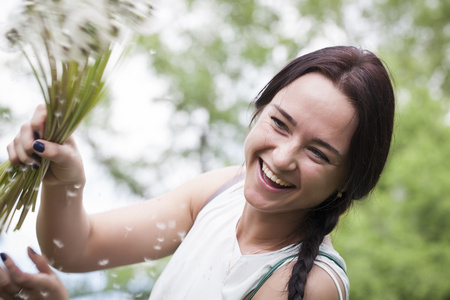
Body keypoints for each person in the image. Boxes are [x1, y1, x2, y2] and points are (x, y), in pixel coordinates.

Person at [1, 45, 395, 299]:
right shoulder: (220, 193)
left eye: (318, 153)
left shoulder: (308, 285)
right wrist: (66, 183)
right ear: (260, 109)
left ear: (348, 181)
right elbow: (77, 248)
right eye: (279, 123)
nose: (281, 158)